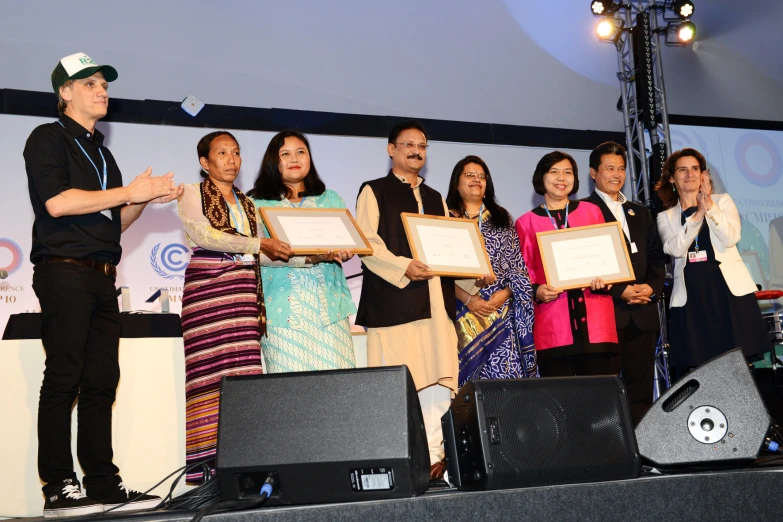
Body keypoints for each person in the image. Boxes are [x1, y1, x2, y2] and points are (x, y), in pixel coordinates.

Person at [24, 52, 182, 517]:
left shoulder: (102, 152)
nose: (101, 90)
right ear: (64, 93)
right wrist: (127, 193)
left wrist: (144, 200)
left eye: (104, 83)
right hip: (63, 271)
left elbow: (115, 223)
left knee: (101, 381)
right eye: (89, 83)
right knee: (63, 378)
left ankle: (102, 483)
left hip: (103, 276)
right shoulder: (46, 139)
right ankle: (57, 486)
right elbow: (57, 203)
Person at [355, 120, 491, 479]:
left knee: (439, 383)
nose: (417, 151)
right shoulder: (374, 190)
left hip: (436, 305)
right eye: (409, 145)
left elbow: (448, 247)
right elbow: (367, 242)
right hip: (395, 304)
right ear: (391, 149)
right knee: (401, 384)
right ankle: (399, 461)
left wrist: (473, 273)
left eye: (423, 146)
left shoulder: (436, 199)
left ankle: (433, 461)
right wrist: (403, 266)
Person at [177, 131, 293, 483]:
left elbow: (262, 254)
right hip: (207, 297)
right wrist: (260, 244)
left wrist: (319, 254)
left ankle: (245, 469)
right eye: (222, 153)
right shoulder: (190, 192)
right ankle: (208, 476)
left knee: (244, 383)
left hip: (243, 298)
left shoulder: (249, 203)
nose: (231, 160)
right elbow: (205, 236)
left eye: (237, 153)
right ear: (204, 162)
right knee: (209, 381)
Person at [248, 130, 356, 373]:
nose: (294, 159)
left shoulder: (330, 199)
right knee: (291, 394)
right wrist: (305, 257)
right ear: (272, 162)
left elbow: (348, 241)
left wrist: (347, 251)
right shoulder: (255, 203)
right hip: (281, 313)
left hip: (330, 309)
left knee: (337, 389)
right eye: (284, 154)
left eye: (300, 152)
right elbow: (252, 253)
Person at [655, 148, 768, 370]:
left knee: (738, 366)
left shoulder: (722, 202)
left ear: (704, 175)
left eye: (695, 169)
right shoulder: (665, 216)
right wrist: (698, 214)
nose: (690, 174)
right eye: (682, 170)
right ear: (671, 177)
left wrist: (709, 205)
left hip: (728, 293)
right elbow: (675, 249)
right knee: (701, 367)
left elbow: (730, 237)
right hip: (692, 298)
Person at [515, 151, 618, 377]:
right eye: (554, 172)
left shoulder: (593, 212)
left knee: (600, 402)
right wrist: (537, 290)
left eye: (568, 172)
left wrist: (607, 276)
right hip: (554, 325)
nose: (562, 178)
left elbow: (607, 257)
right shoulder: (526, 223)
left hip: (596, 323)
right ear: (541, 177)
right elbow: (523, 273)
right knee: (562, 403)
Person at [584, 142, 666, 425]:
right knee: (602, 389)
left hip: (643, 313)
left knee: (641, 389)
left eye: (621, 169)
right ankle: (608, 449)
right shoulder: (582, 210)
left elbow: (657, 257)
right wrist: (621, 291)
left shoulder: (639, 212)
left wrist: (652, 288)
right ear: (594, 172)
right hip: (606, 313)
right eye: (609, 168)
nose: (616, 174)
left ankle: (641, 448)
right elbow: (583, 263)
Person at [445, 155, 537, 385]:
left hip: (500, 313)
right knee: (467, 387)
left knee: (504, 383)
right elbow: (438, 271)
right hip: (459, 311)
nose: (477, 179)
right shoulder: (444, 218)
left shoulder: (501, 217)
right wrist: (468, 299)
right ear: (456, 183)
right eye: (470, 175)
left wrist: (505, 294)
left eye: (481, 176)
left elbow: (516, 265)